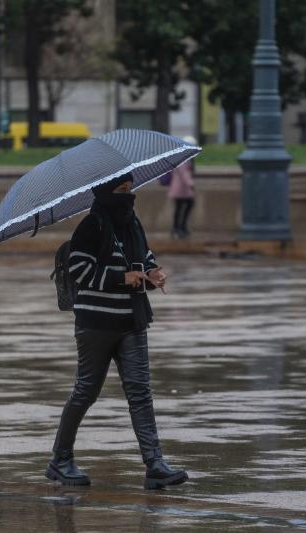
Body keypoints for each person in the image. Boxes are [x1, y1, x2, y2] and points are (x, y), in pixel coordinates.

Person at [46, 173, 188, 490]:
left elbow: (144, 257)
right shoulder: (91, 226)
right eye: (121, 189)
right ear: (107, 191)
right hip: (96, 324)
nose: (128, 195)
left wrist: (153, 273)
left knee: (140, 392)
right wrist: (122, 278)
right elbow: (79, 270)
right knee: (86, 391)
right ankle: (60, 459)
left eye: (130, 188)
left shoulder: (132, 224)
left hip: (132, 321)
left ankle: (155, 464)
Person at [169, 137, 197, 239]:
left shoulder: (184, 156)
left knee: (181, 207)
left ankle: (180, 227)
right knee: (181, 207)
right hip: (180, 188)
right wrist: (191, 183)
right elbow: (184, 173)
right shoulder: (183, 157)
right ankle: (178, 228)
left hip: (183, 189)